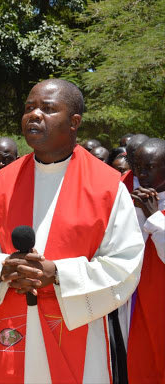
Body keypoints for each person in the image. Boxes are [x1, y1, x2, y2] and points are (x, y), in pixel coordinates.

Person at [0, 79, 144, 383]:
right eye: (29, 108)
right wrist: (7, 267)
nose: (34, 115)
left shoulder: (107, 186)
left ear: (74, 122)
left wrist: (57, 273)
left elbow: (125, 263)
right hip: (12, 321)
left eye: (47, 109)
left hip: (76, 326)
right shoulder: (2, 183)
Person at [126, 138, 165, 383]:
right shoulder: (126, 199)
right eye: (138, 166)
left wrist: (154, 217)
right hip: (132, 300)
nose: (141, 174)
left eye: (149, 167)